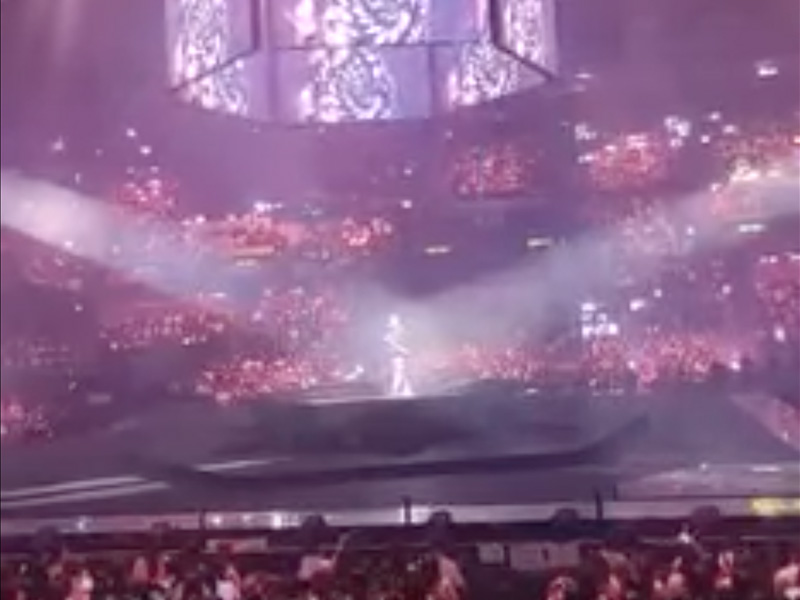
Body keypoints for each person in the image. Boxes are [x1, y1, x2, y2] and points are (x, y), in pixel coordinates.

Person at [384, 313, 414, 397]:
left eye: (392, 320)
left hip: (398, 355)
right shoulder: (391, 331)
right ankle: (406, 390)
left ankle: (396, 391)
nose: (390, 321)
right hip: (396, 355)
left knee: (399, 372)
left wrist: (403, 350)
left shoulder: (398, 331)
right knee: (400, 372)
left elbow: (397, 344)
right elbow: (391, 344)